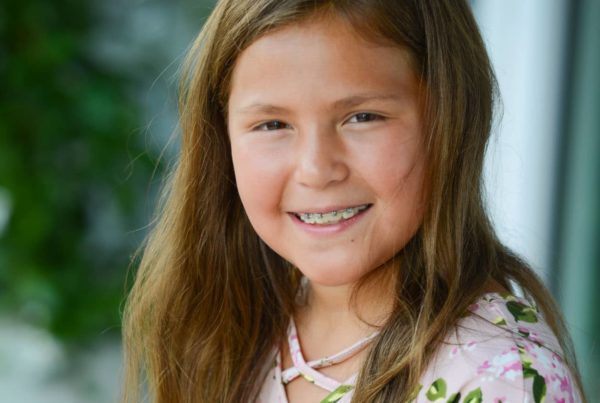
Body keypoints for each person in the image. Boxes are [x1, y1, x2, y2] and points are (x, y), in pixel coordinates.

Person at [122, 1, 585, 402]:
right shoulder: (234, 324)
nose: (316, 170)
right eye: (272, 125)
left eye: (362, 117)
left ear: (450, 119)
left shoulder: (498, 381)